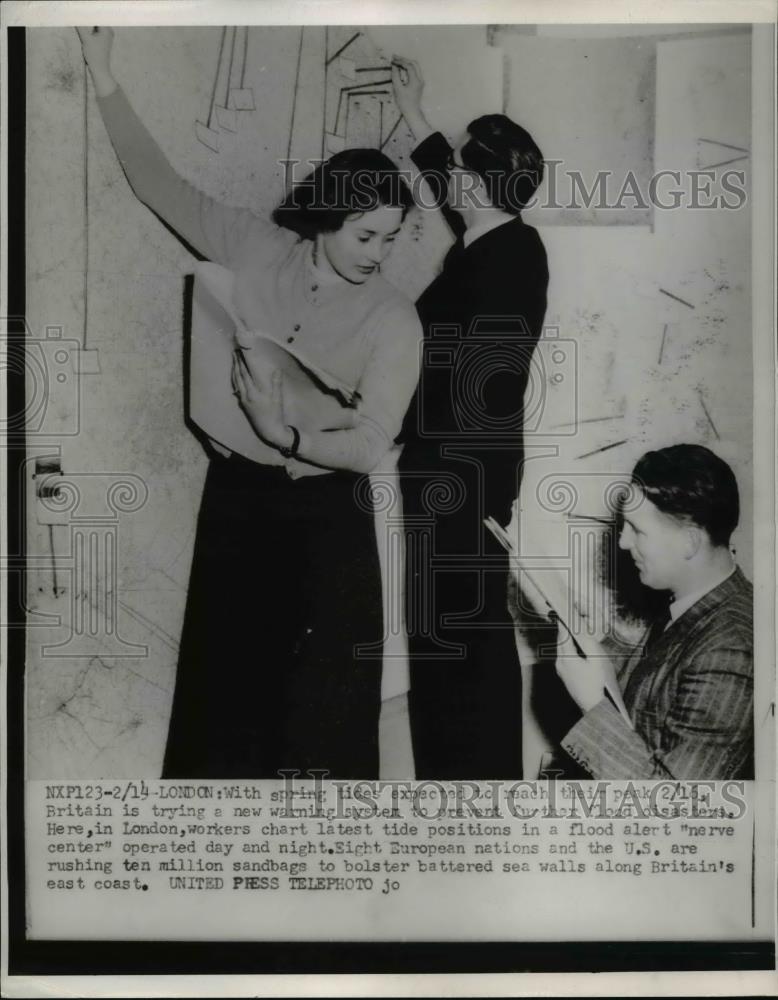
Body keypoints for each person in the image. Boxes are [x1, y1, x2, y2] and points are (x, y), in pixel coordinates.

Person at [77, 28, 422, 779]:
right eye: (366, 234)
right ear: (326, 217)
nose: (379, 253)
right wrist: (103, 73)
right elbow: (158, 184)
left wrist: (285, 431)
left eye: (390, 239)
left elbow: (368, 445)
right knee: (225, 703)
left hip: (329, 519)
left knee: (316, 719)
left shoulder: (395, 319)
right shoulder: (259, 246)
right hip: (238, 503)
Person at [390, 57, 548, 778]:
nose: (448, 174)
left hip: (460, 477)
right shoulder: (496, 238)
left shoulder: (507, 258)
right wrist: (416, 109)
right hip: (454, 474)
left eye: (457, 166)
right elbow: (453, 188)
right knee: (453, 636)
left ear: (479, 184)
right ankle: (462, 783)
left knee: (458, 640)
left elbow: (486, 384)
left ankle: (472, 791)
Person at [555, 445, 754, 780]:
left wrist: (592, 704)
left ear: (690, 542)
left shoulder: (731, 650)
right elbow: (659, 684)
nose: (622, 542)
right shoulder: (695, 602)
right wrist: (597, 648)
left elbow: (676, 809)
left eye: (637, 529)